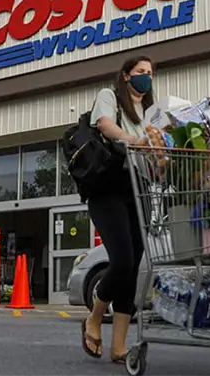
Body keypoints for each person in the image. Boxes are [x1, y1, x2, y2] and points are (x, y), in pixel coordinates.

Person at [80, 55, 154, 364]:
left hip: (140, 191)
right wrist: (131, 138)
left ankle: (119, 346)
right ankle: (95, 318)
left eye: (150, 73)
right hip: (109, 188)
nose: (146, 77)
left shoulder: (149, 112)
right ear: (125, 76)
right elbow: (105, 125)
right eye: (140, 72)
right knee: (122, 261)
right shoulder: (108, 96)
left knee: (132, 268)